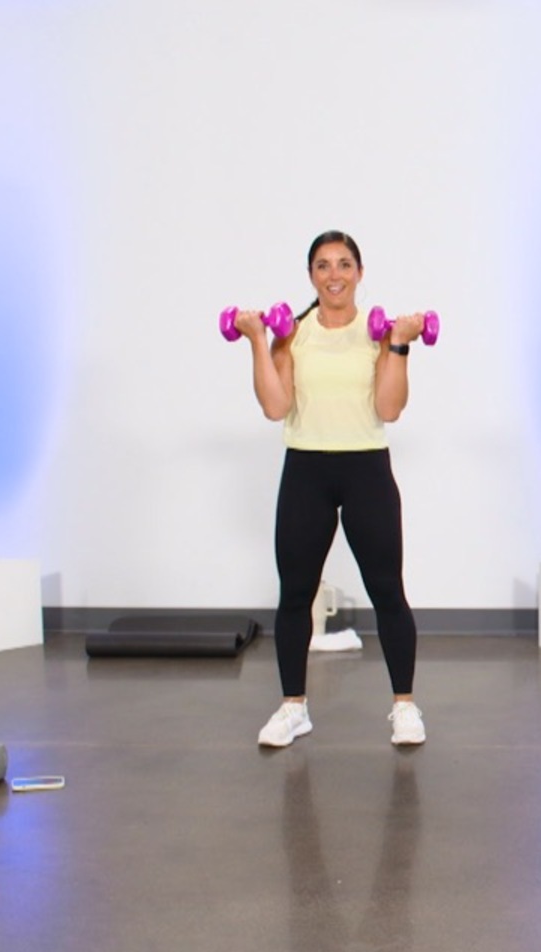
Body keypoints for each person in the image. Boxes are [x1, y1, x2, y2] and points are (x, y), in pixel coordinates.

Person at [231, 230, 429, 747]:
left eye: (344, 264)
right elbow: (276, 407)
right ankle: (293, 707)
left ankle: (404, 707)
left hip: (366, 469)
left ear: (360, 273)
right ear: (311, 276)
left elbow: (389, 409)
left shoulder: (379, 331)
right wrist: (256, 338)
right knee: (295, 594)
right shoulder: (291, 334)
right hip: (306, 470)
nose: (334, 275)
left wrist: (403, 344)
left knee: (388, 590)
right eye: (323, 265)